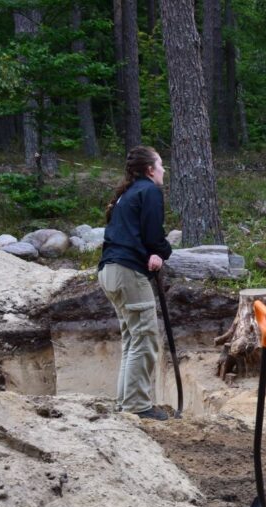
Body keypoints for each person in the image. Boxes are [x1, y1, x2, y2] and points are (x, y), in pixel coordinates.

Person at [98, 146, 173, 421]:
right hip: (127, 272)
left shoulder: (127, 194)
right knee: (144, 338)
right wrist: (162, 251)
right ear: (150, 169)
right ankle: (138, 406)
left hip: (110, 270)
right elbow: (153, 235)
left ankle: (125, 403)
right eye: (161, 164)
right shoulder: (149, 191)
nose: (164, 170)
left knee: (132, 338)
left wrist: (154, 252)